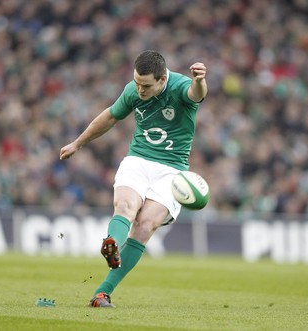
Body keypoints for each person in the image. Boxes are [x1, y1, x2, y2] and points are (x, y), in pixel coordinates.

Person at [59, 50, 207, 308]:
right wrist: (78, 143)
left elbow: (197, 95)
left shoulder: (181, 86)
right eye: (137, 82)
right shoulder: (133, 90)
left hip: (172, 171)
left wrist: (199, 80)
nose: (139, 89)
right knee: (125, 207)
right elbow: (110, 117)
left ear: (162, 80)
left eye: (146, 85)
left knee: (146, 225)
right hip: (138, 160)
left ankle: (102, 293)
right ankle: (112, 243)